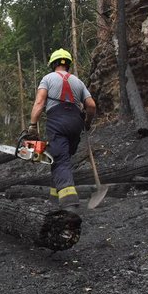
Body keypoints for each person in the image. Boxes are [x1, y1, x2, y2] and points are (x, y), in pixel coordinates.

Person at [26, 49, 96, 212]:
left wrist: (32, 125)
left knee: (60, 160)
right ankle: (54, 198)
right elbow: (91, 105)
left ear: (53, 64)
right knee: (60, 158)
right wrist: (87, 122)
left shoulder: (47, 78)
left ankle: (70, 203)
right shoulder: (78, 82)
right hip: (75, 121)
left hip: (57, 120)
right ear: (68, 65)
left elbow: (39, 103)